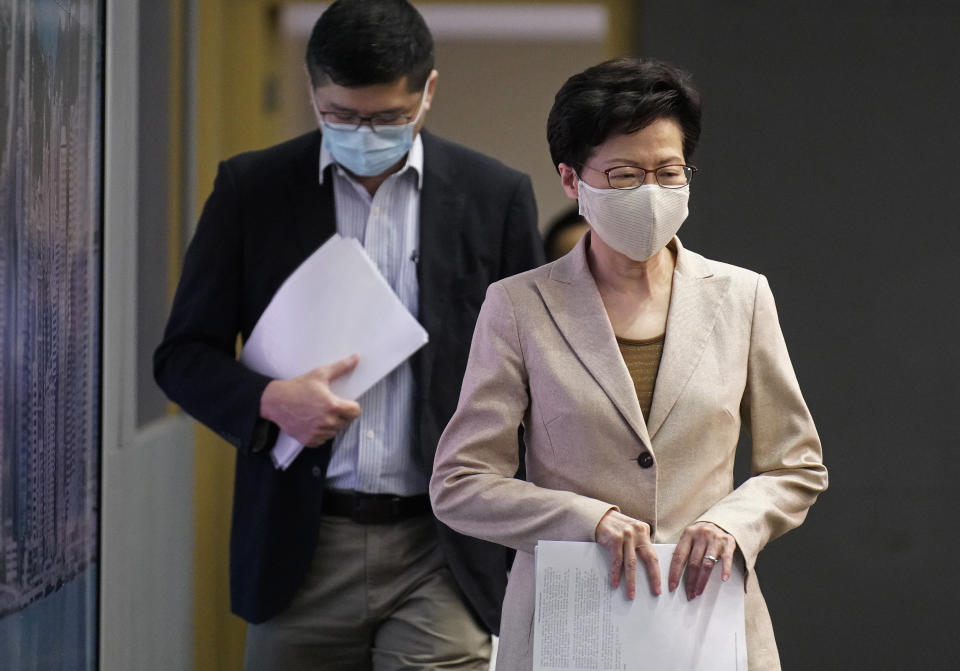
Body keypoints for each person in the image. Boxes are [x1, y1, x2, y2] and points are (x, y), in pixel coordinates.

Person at [154, 1, 543, 669]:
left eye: (388, 117)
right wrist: (270, 399)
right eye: (340, 115)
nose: (363, 132)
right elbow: (182, 356)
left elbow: (536, 366)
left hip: (443, 543)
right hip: (302, 540)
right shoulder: (253, 190)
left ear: (428, 92)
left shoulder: (494, 195)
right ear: (311, 91)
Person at [430, 57, 827, 670]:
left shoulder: (742, 296)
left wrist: (733, 525)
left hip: (708, 620)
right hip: (569, 621)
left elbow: (796, 464)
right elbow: (460, 485)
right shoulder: (520, 306)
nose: (649, 193)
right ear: (571, 180)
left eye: (668, 172)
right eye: (622, 175)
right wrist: (586, 520)